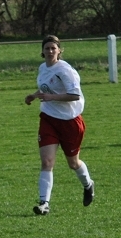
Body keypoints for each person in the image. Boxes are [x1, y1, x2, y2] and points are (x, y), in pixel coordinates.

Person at [24, 34, 95, 215]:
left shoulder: (65, 71)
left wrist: (51, 97)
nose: (49, 51)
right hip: (49, 119)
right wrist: (34, 95)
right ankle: (44, 203)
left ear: (59, 51)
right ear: (42, 51)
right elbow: (47, 87)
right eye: (46, 48)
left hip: (70, 121)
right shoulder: (42, 68)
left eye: (53, 48)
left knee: (73, 163)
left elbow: (75, 95)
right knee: (47, 161)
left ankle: (88, 184)